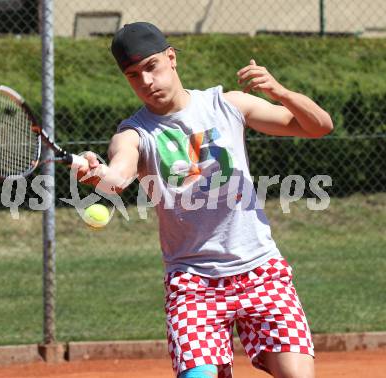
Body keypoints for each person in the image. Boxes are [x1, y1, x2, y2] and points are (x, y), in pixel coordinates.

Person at [77, 22, 333, 378]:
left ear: (171, 58)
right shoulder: (134, 133)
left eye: (152, 67)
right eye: (133, 75)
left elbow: (319, 126)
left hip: (261, 271)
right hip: (193, 283)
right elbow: (119, 174)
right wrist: (98, 172)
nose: (147, 82)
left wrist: (280, 92)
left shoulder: (227, 105)